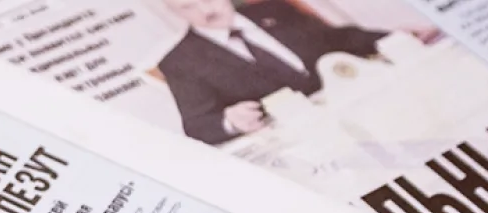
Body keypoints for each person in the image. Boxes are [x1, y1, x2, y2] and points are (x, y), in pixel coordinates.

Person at [158, 0, 388, 145]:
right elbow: (198, 125)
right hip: (305, 139)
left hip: (360, 106)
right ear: (173, 11)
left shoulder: (274, 9)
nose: (206, 10)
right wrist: (230, 121)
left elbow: (338, 39)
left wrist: (391, 38)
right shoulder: (180, 61)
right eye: (188, 6)